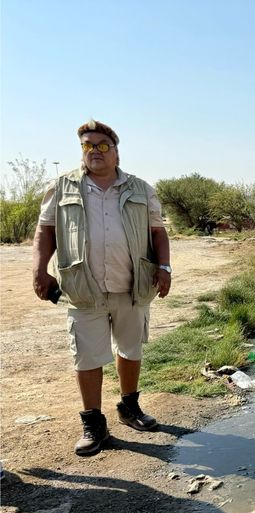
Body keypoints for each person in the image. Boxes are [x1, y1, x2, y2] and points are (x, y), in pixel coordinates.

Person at [32, 119, 172, 456]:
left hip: (132, 284)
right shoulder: (62, 186)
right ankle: (94, 424)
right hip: (83, 287)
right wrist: (39, 269)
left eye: (102, 145)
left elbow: (158, 232)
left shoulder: (141, 188)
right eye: (87, 145)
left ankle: (129, 407)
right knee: (86, 356)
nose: (94, 151)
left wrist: (164, 267)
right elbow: (45, 231)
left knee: (131, 347)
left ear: (116, 151)